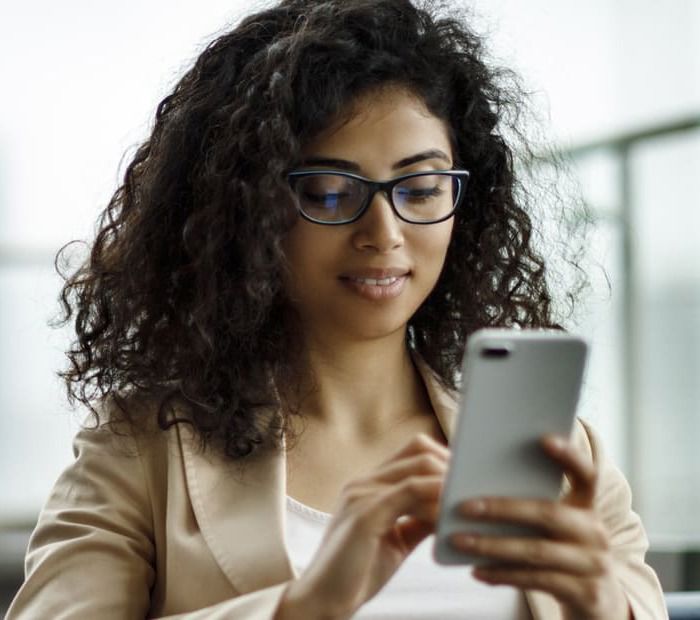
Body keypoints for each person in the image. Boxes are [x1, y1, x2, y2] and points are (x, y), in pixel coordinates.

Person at [7, 0, 666, 618]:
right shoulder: (140, 448)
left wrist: (601, 605)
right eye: (327, 192)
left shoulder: (559, 455)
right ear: (248, 210)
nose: (384, 232)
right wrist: (308, 604)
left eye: (423, 187)